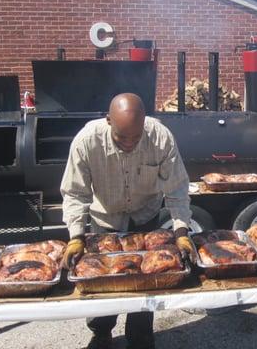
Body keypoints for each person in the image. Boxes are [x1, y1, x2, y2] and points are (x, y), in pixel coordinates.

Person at [60, 93, 194, 349]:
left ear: (145, 122)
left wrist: (181, 231)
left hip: (146, 218)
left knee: (146, 283)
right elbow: (75, 193)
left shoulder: (160, 137)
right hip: (105, 220)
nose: (130, 144)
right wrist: (76, 237)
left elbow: (176, 189)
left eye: (136, 137)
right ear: (108, 121)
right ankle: (101, 333)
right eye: (122, 138)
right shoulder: (87, 141)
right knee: (101, 283)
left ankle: (141, 337)